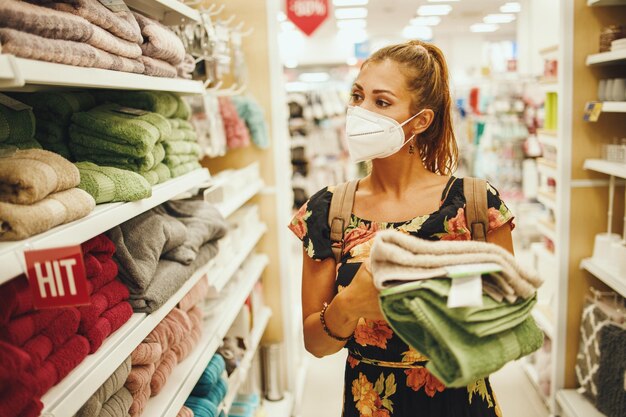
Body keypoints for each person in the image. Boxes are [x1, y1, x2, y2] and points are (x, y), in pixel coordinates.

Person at [288, 40, 515, 417]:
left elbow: (507, 327)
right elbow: (316, 343)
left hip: (461, 403)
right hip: (371, 403)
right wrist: (348, 306)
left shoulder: (476, 205)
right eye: (357, 96)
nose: (359, 112)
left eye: (381, 102)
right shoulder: (327, 211)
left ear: (421, 120)